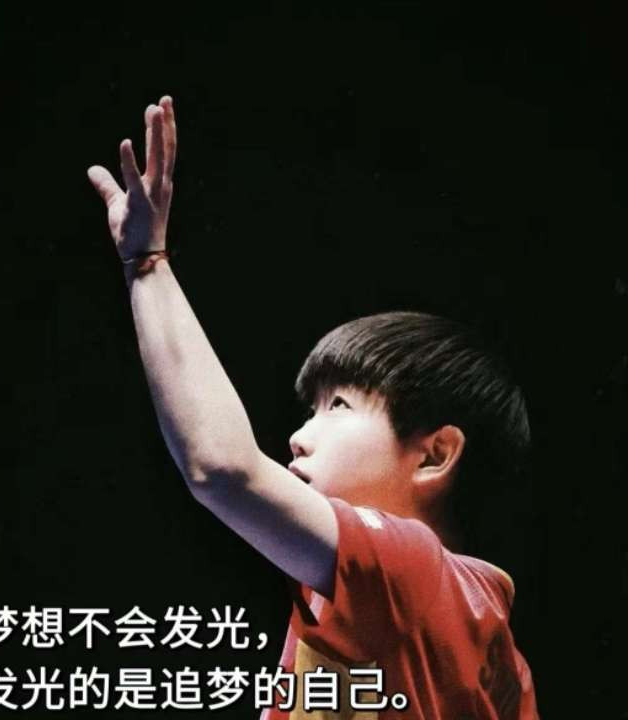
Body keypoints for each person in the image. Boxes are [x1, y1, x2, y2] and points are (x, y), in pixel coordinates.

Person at [87, 96, 540, 719]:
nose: (298, 438)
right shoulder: (450, 630)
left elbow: (223, 468)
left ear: (434, 455)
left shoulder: (412, 572)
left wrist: (147, 267)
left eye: (339, 406)